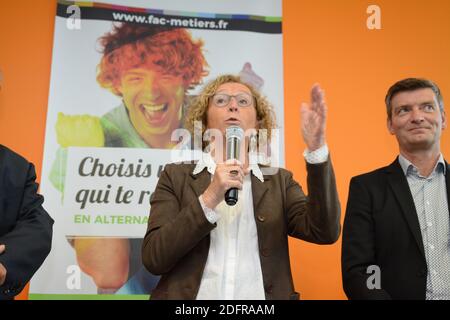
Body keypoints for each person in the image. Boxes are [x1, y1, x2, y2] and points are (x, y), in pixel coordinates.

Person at [50, 23, 263, 294]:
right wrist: (89, 152)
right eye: (136, 78)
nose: (152, 91)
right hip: (145, 282)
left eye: (166, 75)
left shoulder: (210, 117)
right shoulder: (95, 135)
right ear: (117, 85)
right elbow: (109, 274)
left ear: (186, 79)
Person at [142, 74, 341, 299]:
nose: (233, 106)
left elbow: (325, 231)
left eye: (243, 101)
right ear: (205, 123)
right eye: (221, 101)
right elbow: (154, 258)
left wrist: (317, 149)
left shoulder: (279, 182)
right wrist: (209, 198)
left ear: (258, 124)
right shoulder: (176, 176)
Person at [342, 78, 449, 300]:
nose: (417, 117)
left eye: (427, 107)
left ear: (443, 118)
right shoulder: (366, 189)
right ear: (390, 124)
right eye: (404, 110)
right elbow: (359, 273)